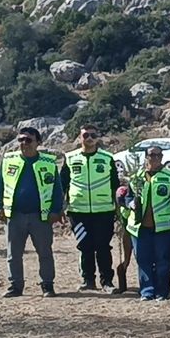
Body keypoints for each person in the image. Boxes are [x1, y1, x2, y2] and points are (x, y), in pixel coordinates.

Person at [0, 126, 64, 297]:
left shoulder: (48, 162)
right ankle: (15, 286)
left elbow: (57, 189)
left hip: (41, 216)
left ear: (38, 142)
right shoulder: (9, 160)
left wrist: (56, 210)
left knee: (45, 253)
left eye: (29, 140)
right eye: (21, 140)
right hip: (15, 215)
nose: (24, 143)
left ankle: (47, 285)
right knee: (13, 254)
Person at [60, 123, 119, 291]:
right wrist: (60, 209)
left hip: (104, 212)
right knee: (85, 246)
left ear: (98, 138)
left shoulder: (107, 158)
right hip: (78, 212)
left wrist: (119, 210)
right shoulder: (70, 158)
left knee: (103, 246)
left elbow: (115, 185)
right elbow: (62, 185)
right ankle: (88, 281)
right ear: (80, 138)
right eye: (86, 135)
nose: (90, 138)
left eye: (93, 135)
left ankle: (107, 281)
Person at [126, 145, 170, 301]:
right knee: (143, 260)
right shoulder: (136, 177)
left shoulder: (169, 176)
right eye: (152, 155)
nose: (155, 158)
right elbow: (127, 196)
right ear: (146, 157)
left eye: (159, 155)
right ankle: (147, 291)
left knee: (163, 261)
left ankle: (162, 291)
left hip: (164, 227)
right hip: (140, 227)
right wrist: (129, 203)